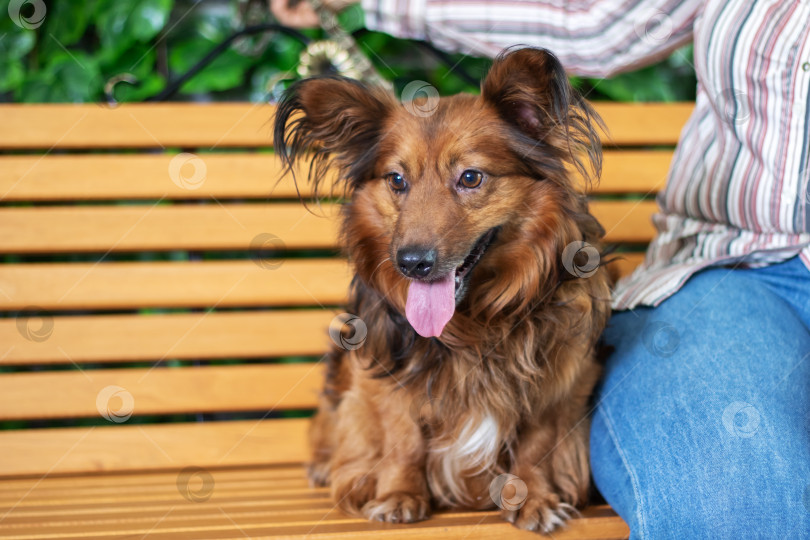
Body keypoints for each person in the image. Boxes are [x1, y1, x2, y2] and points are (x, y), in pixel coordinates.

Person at [272, 0, 810, 536]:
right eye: (397, 181)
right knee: (733, 497)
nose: (418, 245)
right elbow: (594, 25)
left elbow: (568, 390)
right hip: (735, 261)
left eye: (472, 178)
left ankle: (530, 469)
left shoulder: (563, 292)